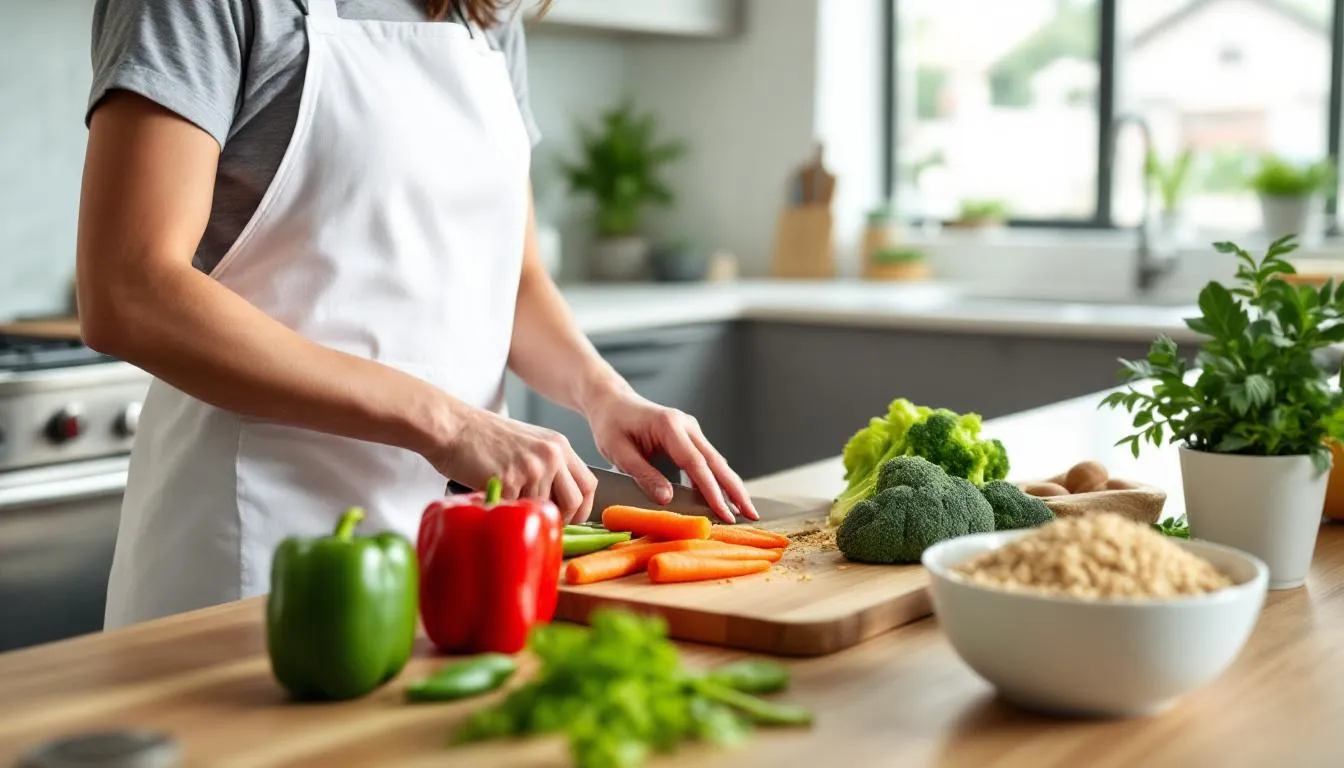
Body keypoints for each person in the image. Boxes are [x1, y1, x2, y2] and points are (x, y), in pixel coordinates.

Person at [78, 0, 757, 629]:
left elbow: (514, 280)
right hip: (258, 551)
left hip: (462, 548)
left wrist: (603, 394)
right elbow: (131, 290)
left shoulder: (481, 14)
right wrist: (450, 424)